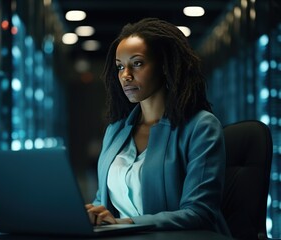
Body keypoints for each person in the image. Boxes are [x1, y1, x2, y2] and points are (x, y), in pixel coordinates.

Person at [85, 18, 231, 237]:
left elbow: (199, 212)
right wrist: (96, 213)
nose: (126, 75)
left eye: (137, 63)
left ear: (164, 66)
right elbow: (103, 199)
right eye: (120, 66)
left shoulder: (201, 126)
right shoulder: (115, 131)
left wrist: (124, 223)